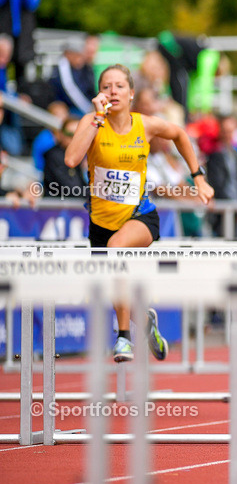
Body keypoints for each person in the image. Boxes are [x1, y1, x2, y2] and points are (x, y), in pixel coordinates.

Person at [64, 64, 215, 362]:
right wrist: (96, 119)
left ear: (131, 93)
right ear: (99, 93)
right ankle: (145, 322)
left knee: (116, 249)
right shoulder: (91, 122)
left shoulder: (145, 125)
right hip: (101, 223)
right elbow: (71, 159)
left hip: (141, 217)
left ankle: (123, 339)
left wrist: (198, 177)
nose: (113, 91)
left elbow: (180, 135)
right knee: (115, 285)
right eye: (106, 86)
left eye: (120, 86)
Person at [0, 0, 42, 91]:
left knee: (22, 74)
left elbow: (33, 3)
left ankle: (20, 106)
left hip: (24, 38)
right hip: (4, 36)